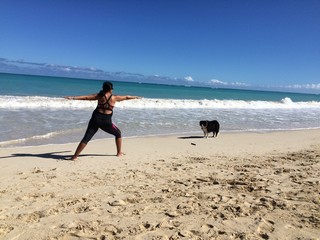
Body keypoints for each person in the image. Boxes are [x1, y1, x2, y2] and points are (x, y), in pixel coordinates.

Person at [65, 81, 141, 159]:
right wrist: (136, 97)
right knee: (118, 133)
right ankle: (119, 153)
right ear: (110, 89)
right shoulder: (114, 97)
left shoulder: (99, 96)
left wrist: (73, 98)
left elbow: (86, 97)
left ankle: (75, 156)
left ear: (103, 88)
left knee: (86, 138)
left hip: (95, 119)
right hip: (106, 121)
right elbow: (126, 97)